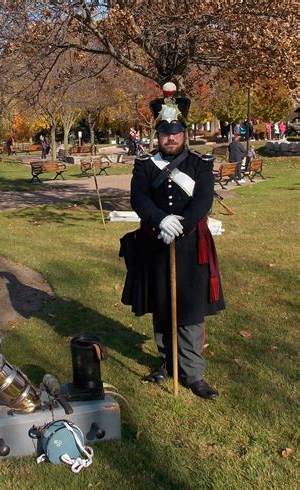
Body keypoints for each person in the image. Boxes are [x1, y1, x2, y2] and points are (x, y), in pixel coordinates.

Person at [120, 82, 225, 400]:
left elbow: (203, 200)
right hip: (155, 246)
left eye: (176, 131)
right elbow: (138, 197)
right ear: (157, 134)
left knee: (190, 312)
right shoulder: (144, 166)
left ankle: (192, 373)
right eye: (165, 131)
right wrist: (158, 220)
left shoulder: (200, 165)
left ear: (184, 133)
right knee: (162, 308)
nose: (170, 136)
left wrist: (178, 225)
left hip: (191, 248)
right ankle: (168, 363)